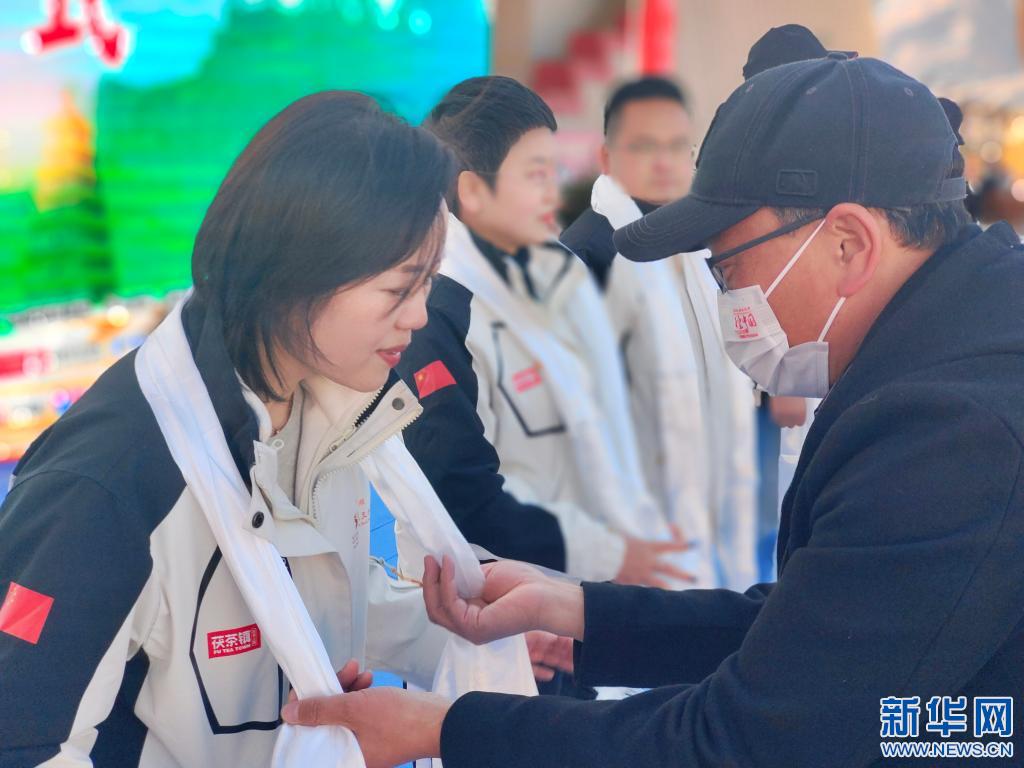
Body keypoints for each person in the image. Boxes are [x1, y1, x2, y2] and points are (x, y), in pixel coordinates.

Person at [280, 52, 1024, 768]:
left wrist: (447, 730)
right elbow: (821, 635)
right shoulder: (957, 344)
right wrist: (577, 611)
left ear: (848, 244)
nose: (730, 299)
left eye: (730, 266)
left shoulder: (950, 433)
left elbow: (750, 741)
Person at [0, 92, 460, 766]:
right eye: (398, 289)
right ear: (299, 272)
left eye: (428, 285)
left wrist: (465, 633)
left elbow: (301, 591)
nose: (419, 316)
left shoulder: (318, 411)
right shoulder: (112, 481)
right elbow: (23, 744)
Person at [395, 76, 690, 588]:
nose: (552, 190)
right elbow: (460, 492)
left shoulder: (559, 268)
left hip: (589, 590)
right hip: (489, 603)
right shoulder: (431, 312)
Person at [561, 75, 758, 590]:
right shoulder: (583, 255)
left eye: (677, 146)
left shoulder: (694, 241)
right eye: (645, 146)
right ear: (607, 157)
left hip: (709, 491)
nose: (665, 162)